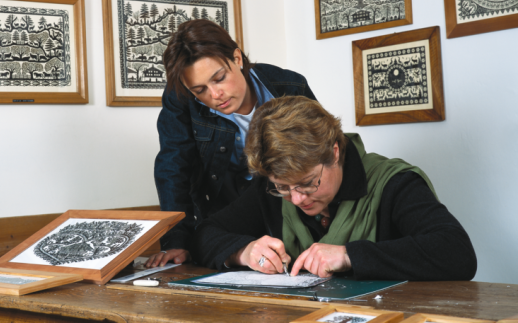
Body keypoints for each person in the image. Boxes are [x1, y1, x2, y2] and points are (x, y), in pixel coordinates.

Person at [194, 96, 477, 280]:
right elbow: (205, 234)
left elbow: (457, 253)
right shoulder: (272, 189)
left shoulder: (394, 183)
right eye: (282, 187)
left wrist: (348, 255)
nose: (296, 198)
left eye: (308, 183)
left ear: (335, 152)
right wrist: (244, 252)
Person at [147, 20, 316, 268]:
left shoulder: (290, 86)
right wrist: (176, 241)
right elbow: (173, 165)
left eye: (219, 78)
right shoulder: (180, 99)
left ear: (237, 58)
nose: (215, 95)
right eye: (200, 90)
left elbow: (320, 153)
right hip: (221, 213)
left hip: (284, 205)